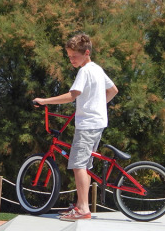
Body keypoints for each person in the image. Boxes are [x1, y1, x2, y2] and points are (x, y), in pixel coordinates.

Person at [33, 33, 118, 221]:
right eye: (69, 56)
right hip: (98, 123)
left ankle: (83, 210)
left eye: (74, 56)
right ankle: (81, 205)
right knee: (85, 165)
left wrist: (45, 101)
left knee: (78, 164)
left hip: (87, 125)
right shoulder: (97, 69)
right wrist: (98, 105)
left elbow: (72, 96)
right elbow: (113, 90)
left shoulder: (85, 71)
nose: (71, 60)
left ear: (86, 53)